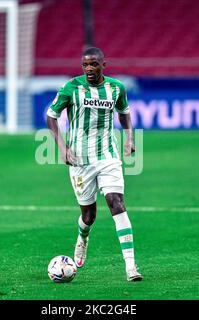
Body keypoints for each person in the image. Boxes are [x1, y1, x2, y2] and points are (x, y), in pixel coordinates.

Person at [46, 47, 142, 281]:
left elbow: (124, 112)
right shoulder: (71, 87)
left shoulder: (116, 88)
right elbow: (51, 115)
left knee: (116, 203)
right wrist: (61, 146)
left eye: (94, 64)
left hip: (108, 157)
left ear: (103, 65)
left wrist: (129, 137)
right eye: (85, 65)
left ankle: (131, 266)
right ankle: (83, 236)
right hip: (79, 160)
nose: (89, 69)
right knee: (89, 216)